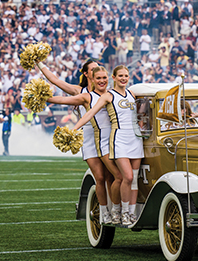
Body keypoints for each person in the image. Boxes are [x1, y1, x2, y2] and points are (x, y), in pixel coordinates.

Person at [37, 59, 119, 224]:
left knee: (111, 176)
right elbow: (55, 81)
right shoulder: (80, 92)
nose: (97, 71)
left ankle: (114, 209)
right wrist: (38, 62)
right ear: (86, 73)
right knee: (100, 177)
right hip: (88, 135)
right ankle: (104, 212)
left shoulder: (108, 92)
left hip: (107, 137)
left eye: (99, 68)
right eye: (93, 69)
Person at [74, 66, 144, 225]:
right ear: (114, 77)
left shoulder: (132, 94)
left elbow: (143, 113)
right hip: (119, 139)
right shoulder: (107, 96)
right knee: (127, 176)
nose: (123, 78)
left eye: (126, 75)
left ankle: (131, 214)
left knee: (133, 181)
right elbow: (90, 114)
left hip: (136, 139)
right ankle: (119, 211)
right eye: (120, 75)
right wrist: (74, 128)